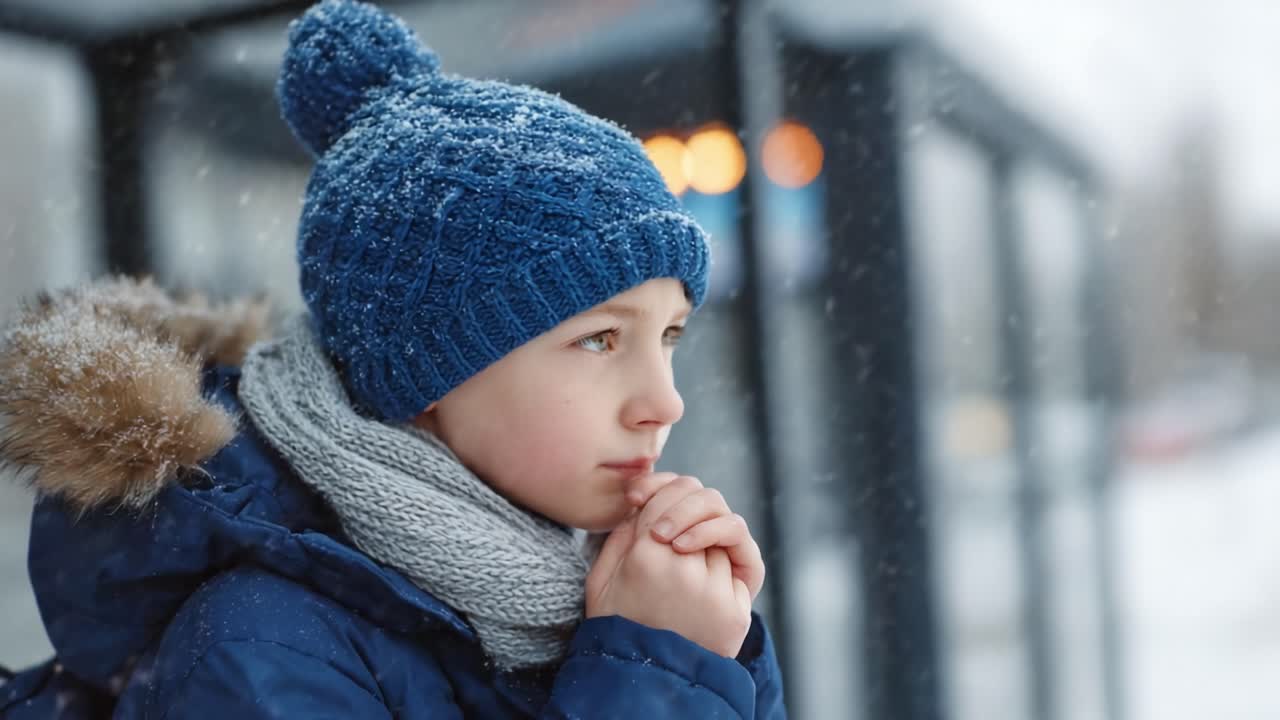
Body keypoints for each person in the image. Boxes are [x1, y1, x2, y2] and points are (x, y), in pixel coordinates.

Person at [0, 0, 785, 717]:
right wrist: (659, 669)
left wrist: (708, 647)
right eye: (598, 339)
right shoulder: (260, 645)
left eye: (669, 336)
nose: (665, 402)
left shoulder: (589, 588)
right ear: (425, 371)